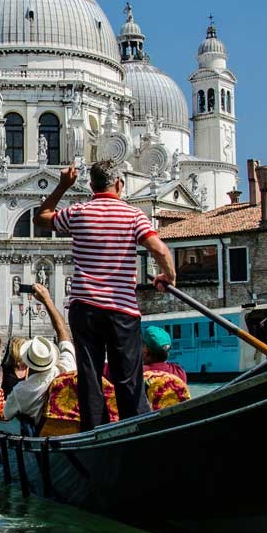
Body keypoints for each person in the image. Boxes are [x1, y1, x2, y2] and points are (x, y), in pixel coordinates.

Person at [35, 160, 177, 431]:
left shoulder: (78, 212)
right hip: (121, 310)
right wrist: (168, 277)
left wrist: (62, 186)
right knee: (128, 378)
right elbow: (159, 250)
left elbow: (41, 217)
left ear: (91, 186)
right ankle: (133, 430)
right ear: (119, 184)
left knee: (90, 376)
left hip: (84, 307)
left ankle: (94, 433)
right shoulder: (133, 215)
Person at [0, 284, 76, 427]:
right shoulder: (67, 367)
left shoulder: (22, 391)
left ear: (27, 361)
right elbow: (63, 332)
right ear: (52, 358)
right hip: (72, 426)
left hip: (42, 431)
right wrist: (47, 301)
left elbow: (3, 416)